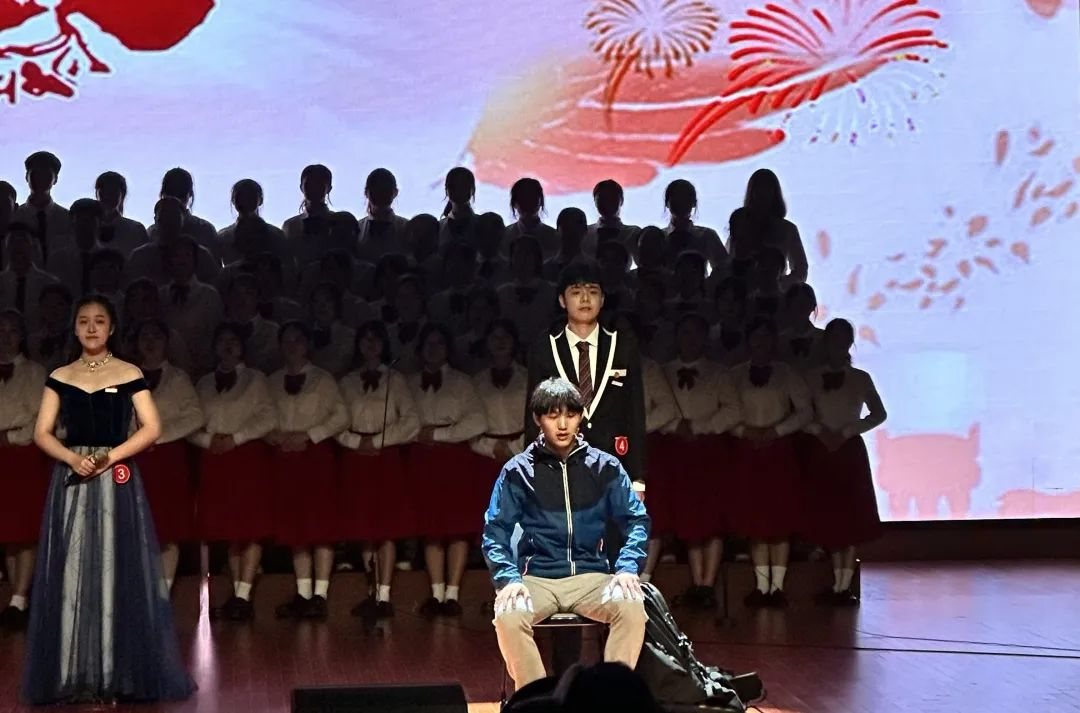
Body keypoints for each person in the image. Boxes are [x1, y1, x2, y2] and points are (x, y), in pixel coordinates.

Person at [23, 294, 195, 704]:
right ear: (74, 327)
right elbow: (41, 432)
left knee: (113, 567)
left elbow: (151, 427)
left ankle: (111, 674)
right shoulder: (61, 375)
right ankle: (71, 675)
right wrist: (72, 459)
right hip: (72, 478)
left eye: (99, 320)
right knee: (71, 569)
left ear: (112, 328)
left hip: (115, 478)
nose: (91, 328)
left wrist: (109, 457)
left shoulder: (129, 372)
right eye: (84, 320)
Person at [484, 377, 649, 691]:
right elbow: (495, 531)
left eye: (570, 415)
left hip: (592, 576)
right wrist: (508, 579)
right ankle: (535, 699)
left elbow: (636, 520)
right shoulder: (517, 471)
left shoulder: (605, 466)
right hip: (538, 579)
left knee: (631, 607)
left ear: (581, 416)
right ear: (538, 419)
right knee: (508, 614)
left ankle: (614, 697)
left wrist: (627, 568)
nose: (562, 425)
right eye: (552, 415)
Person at [525, 260, 646, 492]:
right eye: (576, 292)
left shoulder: (622, 346)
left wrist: (637, 477)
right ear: (562, 300)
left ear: (602, 299)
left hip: (614, 465)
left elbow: (635, 413)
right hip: (560, 466)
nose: (585, 299)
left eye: (592, 291)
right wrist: (533, 473)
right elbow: (534, 418)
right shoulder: (545, 348)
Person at [191, 323, 277, 622]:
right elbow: (192, 420)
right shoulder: (204, 383)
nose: (227, 345)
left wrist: (236, 438)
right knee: (229, 529)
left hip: (247, 456)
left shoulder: (256, 379)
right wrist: (208, 440)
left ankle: (244, 594)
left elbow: (268, 417)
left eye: (233, 340)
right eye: (222, 340)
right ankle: (237, 594)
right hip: (215, 459)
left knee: (249, 526)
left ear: (243, 347)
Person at [337, 321, 420, 618]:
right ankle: (371, 591)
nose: (370, 344)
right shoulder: (347, 382)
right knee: (364, 526)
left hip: (386, 456)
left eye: (376, 339)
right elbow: (337, 420)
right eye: (365, 339)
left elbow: (411, 421)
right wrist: (356, 441)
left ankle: (384, 594)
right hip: (357, 457)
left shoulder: (395, 380)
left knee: (387, 526)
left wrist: (379, 441)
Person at [800, 319, 886, 604]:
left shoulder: (861, 378)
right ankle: (835, 583)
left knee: (849, 516)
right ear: (825, 343)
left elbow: (879, 414)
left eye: (843, 339)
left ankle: (843, 586)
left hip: (848, 451)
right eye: (832, 338)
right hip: (821, 449)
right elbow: (803, 413)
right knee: (828, 513)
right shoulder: (811, 377)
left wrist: (848, 430)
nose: (837, 344)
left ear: (850, 342)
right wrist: (820, 431)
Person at [267, 322, 349, 620]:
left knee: (320, 524)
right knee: (295, 526)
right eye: (286, 341)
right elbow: (263, 415)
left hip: (315, 455)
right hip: (285, 457)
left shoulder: (323, 379)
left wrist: (310, 435)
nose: (292, 346)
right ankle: (302, 594)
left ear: (307, 345)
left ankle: (320, 595)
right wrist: (273, 435)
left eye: (298, 340)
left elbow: (341, 416)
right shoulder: (271, 381)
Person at [728, 317, 811, 607]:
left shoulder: (787, 373)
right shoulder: (736, 374)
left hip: (779, 450)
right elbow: (726, 410)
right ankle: (761, 587)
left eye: (766, 337)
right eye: (756, 337)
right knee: (756, 518)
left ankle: (778, 587)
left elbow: (805, 411)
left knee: (779, 518)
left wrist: (777, 430)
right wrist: (744, 431)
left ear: (774, 341)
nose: (760, 343)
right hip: (747, 450)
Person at [407, 324, 487, 617]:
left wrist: (440, 435)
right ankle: (436, 593)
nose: (433, 349)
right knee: (431, 528)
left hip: (454, 458)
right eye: (428, 344)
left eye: (439, 343)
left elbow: (477, 421)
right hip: (422, 458)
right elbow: (401, 418)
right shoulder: (409, 382)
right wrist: (418, 434)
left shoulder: (463, 383)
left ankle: (452, 594)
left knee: (456, 528)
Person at [662, 313, 740, 609]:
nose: (689, 339)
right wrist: (675, 426)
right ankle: (697, 583)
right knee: (689, 516)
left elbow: (733, 409)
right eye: (684, 332)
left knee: (712, 515)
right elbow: (655, 407)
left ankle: (708, 584)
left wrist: (702, 426)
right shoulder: (665, 371)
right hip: (677, 449)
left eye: (695, 333)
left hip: (710, 449)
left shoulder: (718, 372)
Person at [133, 319, 204, 592]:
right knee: (138, 524)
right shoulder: (126, 376)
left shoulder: (178, 378)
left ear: (166, 343)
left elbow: (195, 416)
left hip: (168, 458)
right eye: (145, 336)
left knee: (168, 526)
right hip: (136, 457)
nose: (150, 342)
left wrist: (158, 435)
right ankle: (141, 587)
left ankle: (163, 590)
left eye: (156, 336)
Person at [0, 310, 48, 631]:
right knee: (7, 530)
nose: (6, 337)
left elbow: (41, 418)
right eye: (1, 330)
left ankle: (20, 597)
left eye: (12, 331)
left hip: (23, 455)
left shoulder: (34, 372)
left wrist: (11, 437)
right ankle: (16, 599)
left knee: (24, 528)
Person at [740, 168, 808, 290]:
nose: (762, 193)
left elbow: (801, 271)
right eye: (759, 188)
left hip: (775, 297)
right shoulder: (741, 226)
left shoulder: (788, 229)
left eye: (766, 188)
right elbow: (730, 263)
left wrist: (777, 286)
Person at [13, 151, 71, 266]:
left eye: (46, 173)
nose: (40, 178)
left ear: (55, 179)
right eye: (35, 173)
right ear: (26, 177)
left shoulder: (67, 219)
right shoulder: (15, 217)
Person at [152, 168, 220, 262]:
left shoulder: (152, 232)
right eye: (171, 193)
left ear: (162, 193)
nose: (176, 199)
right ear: (190, 194)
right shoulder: (206, 230)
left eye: (180, 193)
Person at [662, 179, 728, 276]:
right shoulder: (706, 236)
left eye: (685, 198)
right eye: (676, 197)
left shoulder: (707, 236)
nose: (680, 202)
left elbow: (724, 270)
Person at [217, 179, 288, 268]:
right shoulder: (276, 234)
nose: (244, 200)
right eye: (240, 196)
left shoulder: (223, 236)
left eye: (250, 196)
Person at [1, 224, 59, 329]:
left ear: (32, 246)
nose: (18, 245)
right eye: (13, 241)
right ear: (6, 247)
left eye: (23, 241)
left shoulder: (49, 283)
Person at [47, 198, 104, 296]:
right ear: (72, 223)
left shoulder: (107, 259)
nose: (85, 226)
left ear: (100, 223)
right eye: (81, 220)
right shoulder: (58, 259)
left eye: (90, 220)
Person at [282, 164, 335, 270]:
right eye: (309, 183)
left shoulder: (337, 222)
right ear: (301, 187)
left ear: (329, 188)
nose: (314, 187)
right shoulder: (290, 225)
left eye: (319, 183)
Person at [357, 168, 409, 262]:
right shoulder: (357, 228)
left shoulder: (407, 228)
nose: (380, 193)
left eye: (385, 189)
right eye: (375, 189)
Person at [94, 171, 149, 259]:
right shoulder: (87, 227)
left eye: (112, 191)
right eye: (103, 190)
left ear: (122, 195)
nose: (107, 195)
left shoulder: (136, 229)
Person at [584, 179, 640, 260]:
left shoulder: (634, 233)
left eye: (612, 197)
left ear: (622, 201)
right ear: (595, 202)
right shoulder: (584, 233)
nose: (607, 202)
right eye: (602, 198)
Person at [504, 178, 559, 259]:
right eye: (523, 199)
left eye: (532, 198)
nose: (528, 203)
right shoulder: (554, 236)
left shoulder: (505, 236)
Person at [28, 283, 73, 372]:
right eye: (47, 304)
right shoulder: (32, 341)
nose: (53, 309)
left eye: (59, 304)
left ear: (68, 307)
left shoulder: (78, 339)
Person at [438, 166, 479, 249]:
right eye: (453, 186)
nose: (458, 190)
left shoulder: (440, 227)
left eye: (463, 186)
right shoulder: (439, 227)